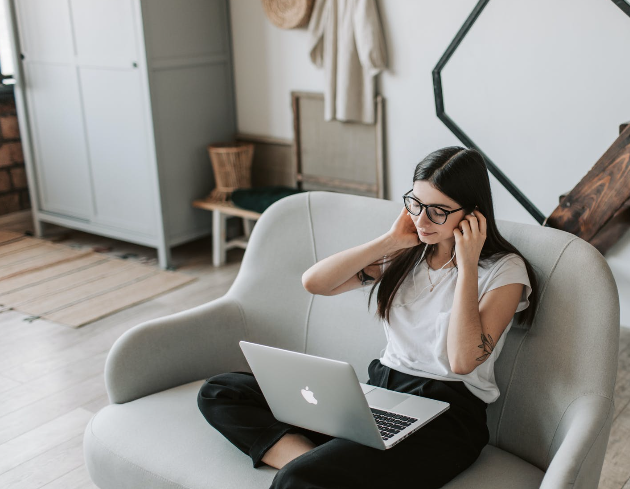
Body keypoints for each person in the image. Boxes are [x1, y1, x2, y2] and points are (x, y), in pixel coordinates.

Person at [197, 146, 539, 489]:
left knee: (295, 481)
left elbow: (463, 361)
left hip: (448, 417)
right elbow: (315, 282)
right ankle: (316, 464)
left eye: (438, 211)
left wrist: (467, 264)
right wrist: (390, 240)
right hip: (380, 393)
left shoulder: (504, 270)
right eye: (416, 204)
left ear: (472, 215)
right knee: (221, 391)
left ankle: (318, 469)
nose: (421, 220)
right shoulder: (408, 255)